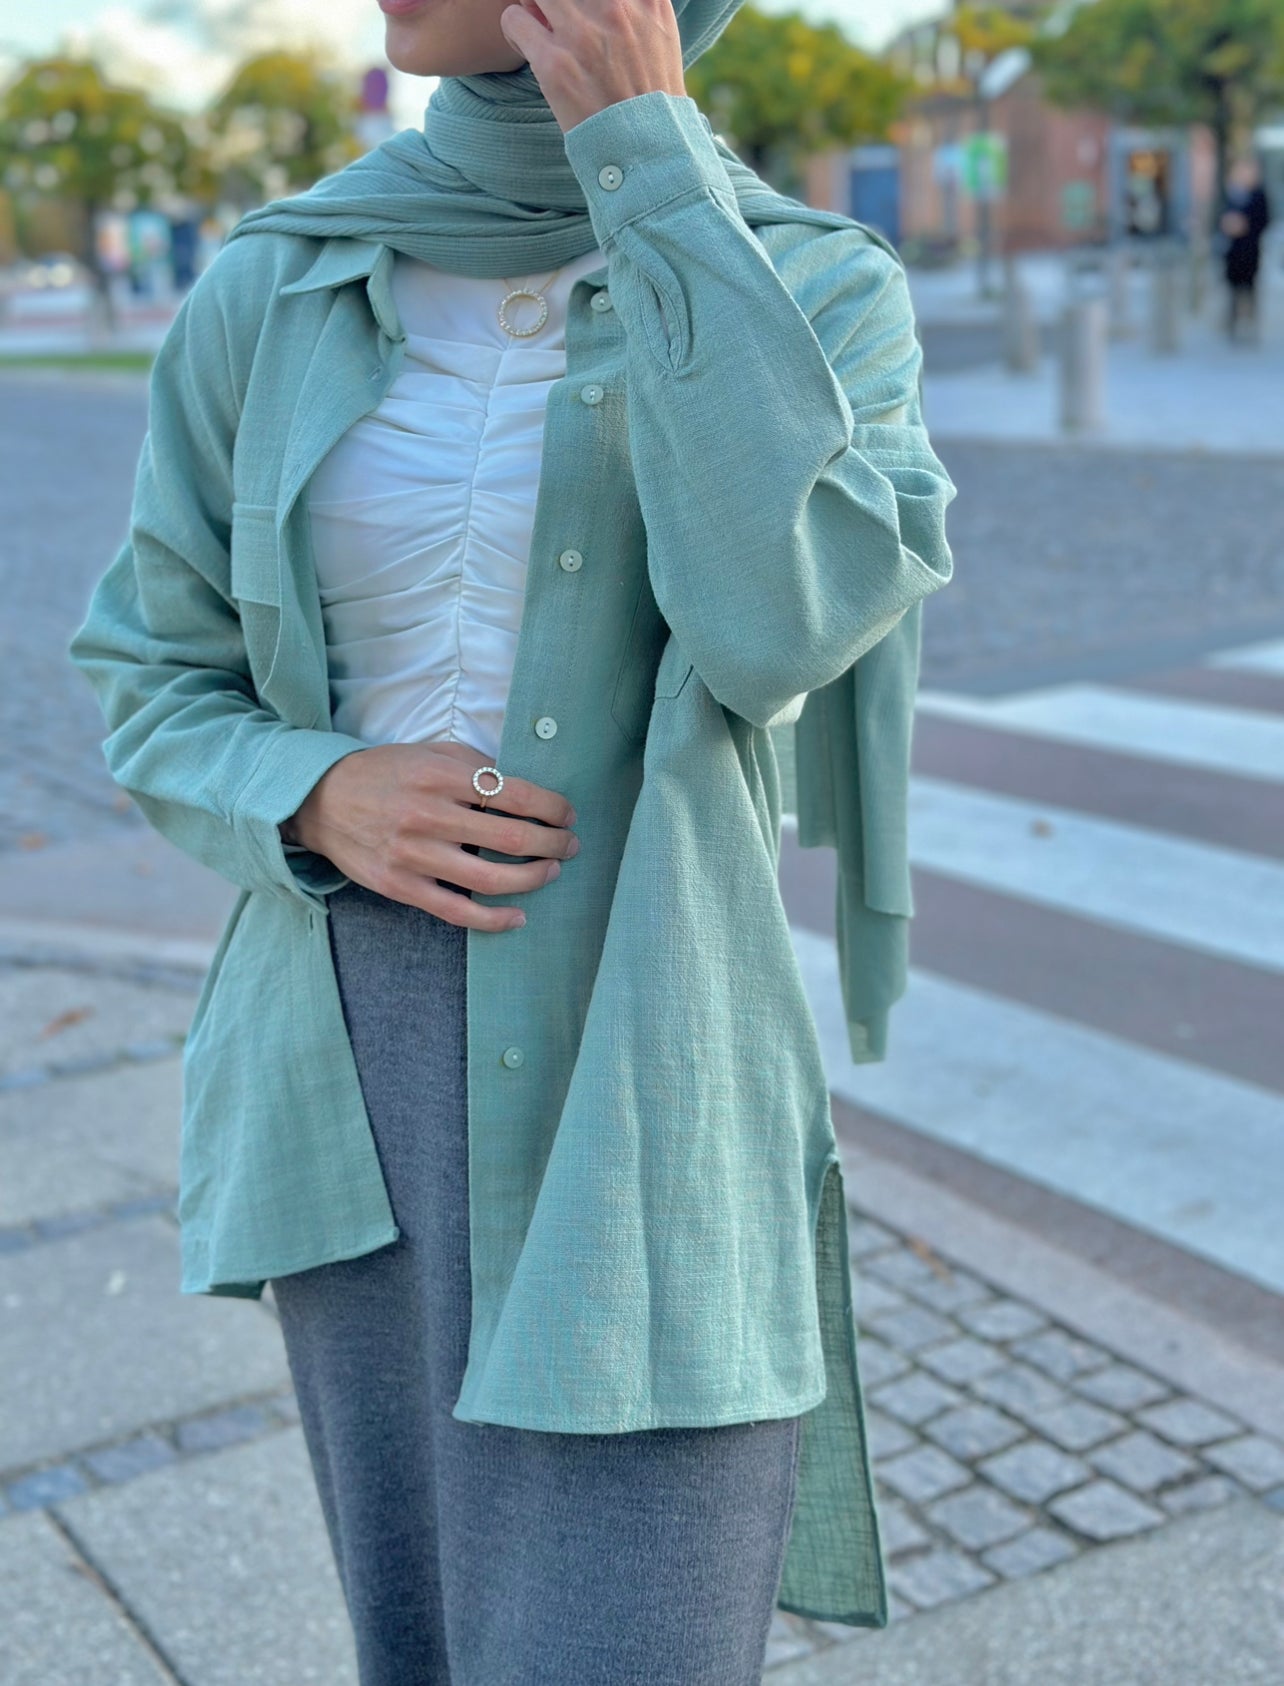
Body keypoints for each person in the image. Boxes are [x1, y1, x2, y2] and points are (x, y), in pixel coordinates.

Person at [68, 0, 956, 1680]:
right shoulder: (280, 281)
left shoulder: (808, 284)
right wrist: (312, 788)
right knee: (420, 1641)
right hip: (352, 1070)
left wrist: (649, 167)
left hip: (649, 1064)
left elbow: (779, 622)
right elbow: (152, 671)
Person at [1220, 154, 1272, 342]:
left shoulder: (1258, 195)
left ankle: (1251, 325)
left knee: (1250, 290)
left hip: (1250, 250)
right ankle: (1233, 325)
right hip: (1233, 252)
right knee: (1233, 291)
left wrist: (1244, 225)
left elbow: (1264, 221)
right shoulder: (1232, 194)